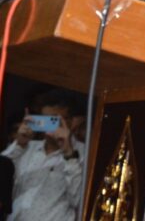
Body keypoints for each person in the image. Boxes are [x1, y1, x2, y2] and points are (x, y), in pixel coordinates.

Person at [2, 89, 84, 221]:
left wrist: (69, 153)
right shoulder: (27, 148)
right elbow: (2, 176)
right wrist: (19, 145)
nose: (50, 124)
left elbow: (79, 200)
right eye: (45, 119)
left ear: (69, 121)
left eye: (55, 119)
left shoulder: (82, 152)